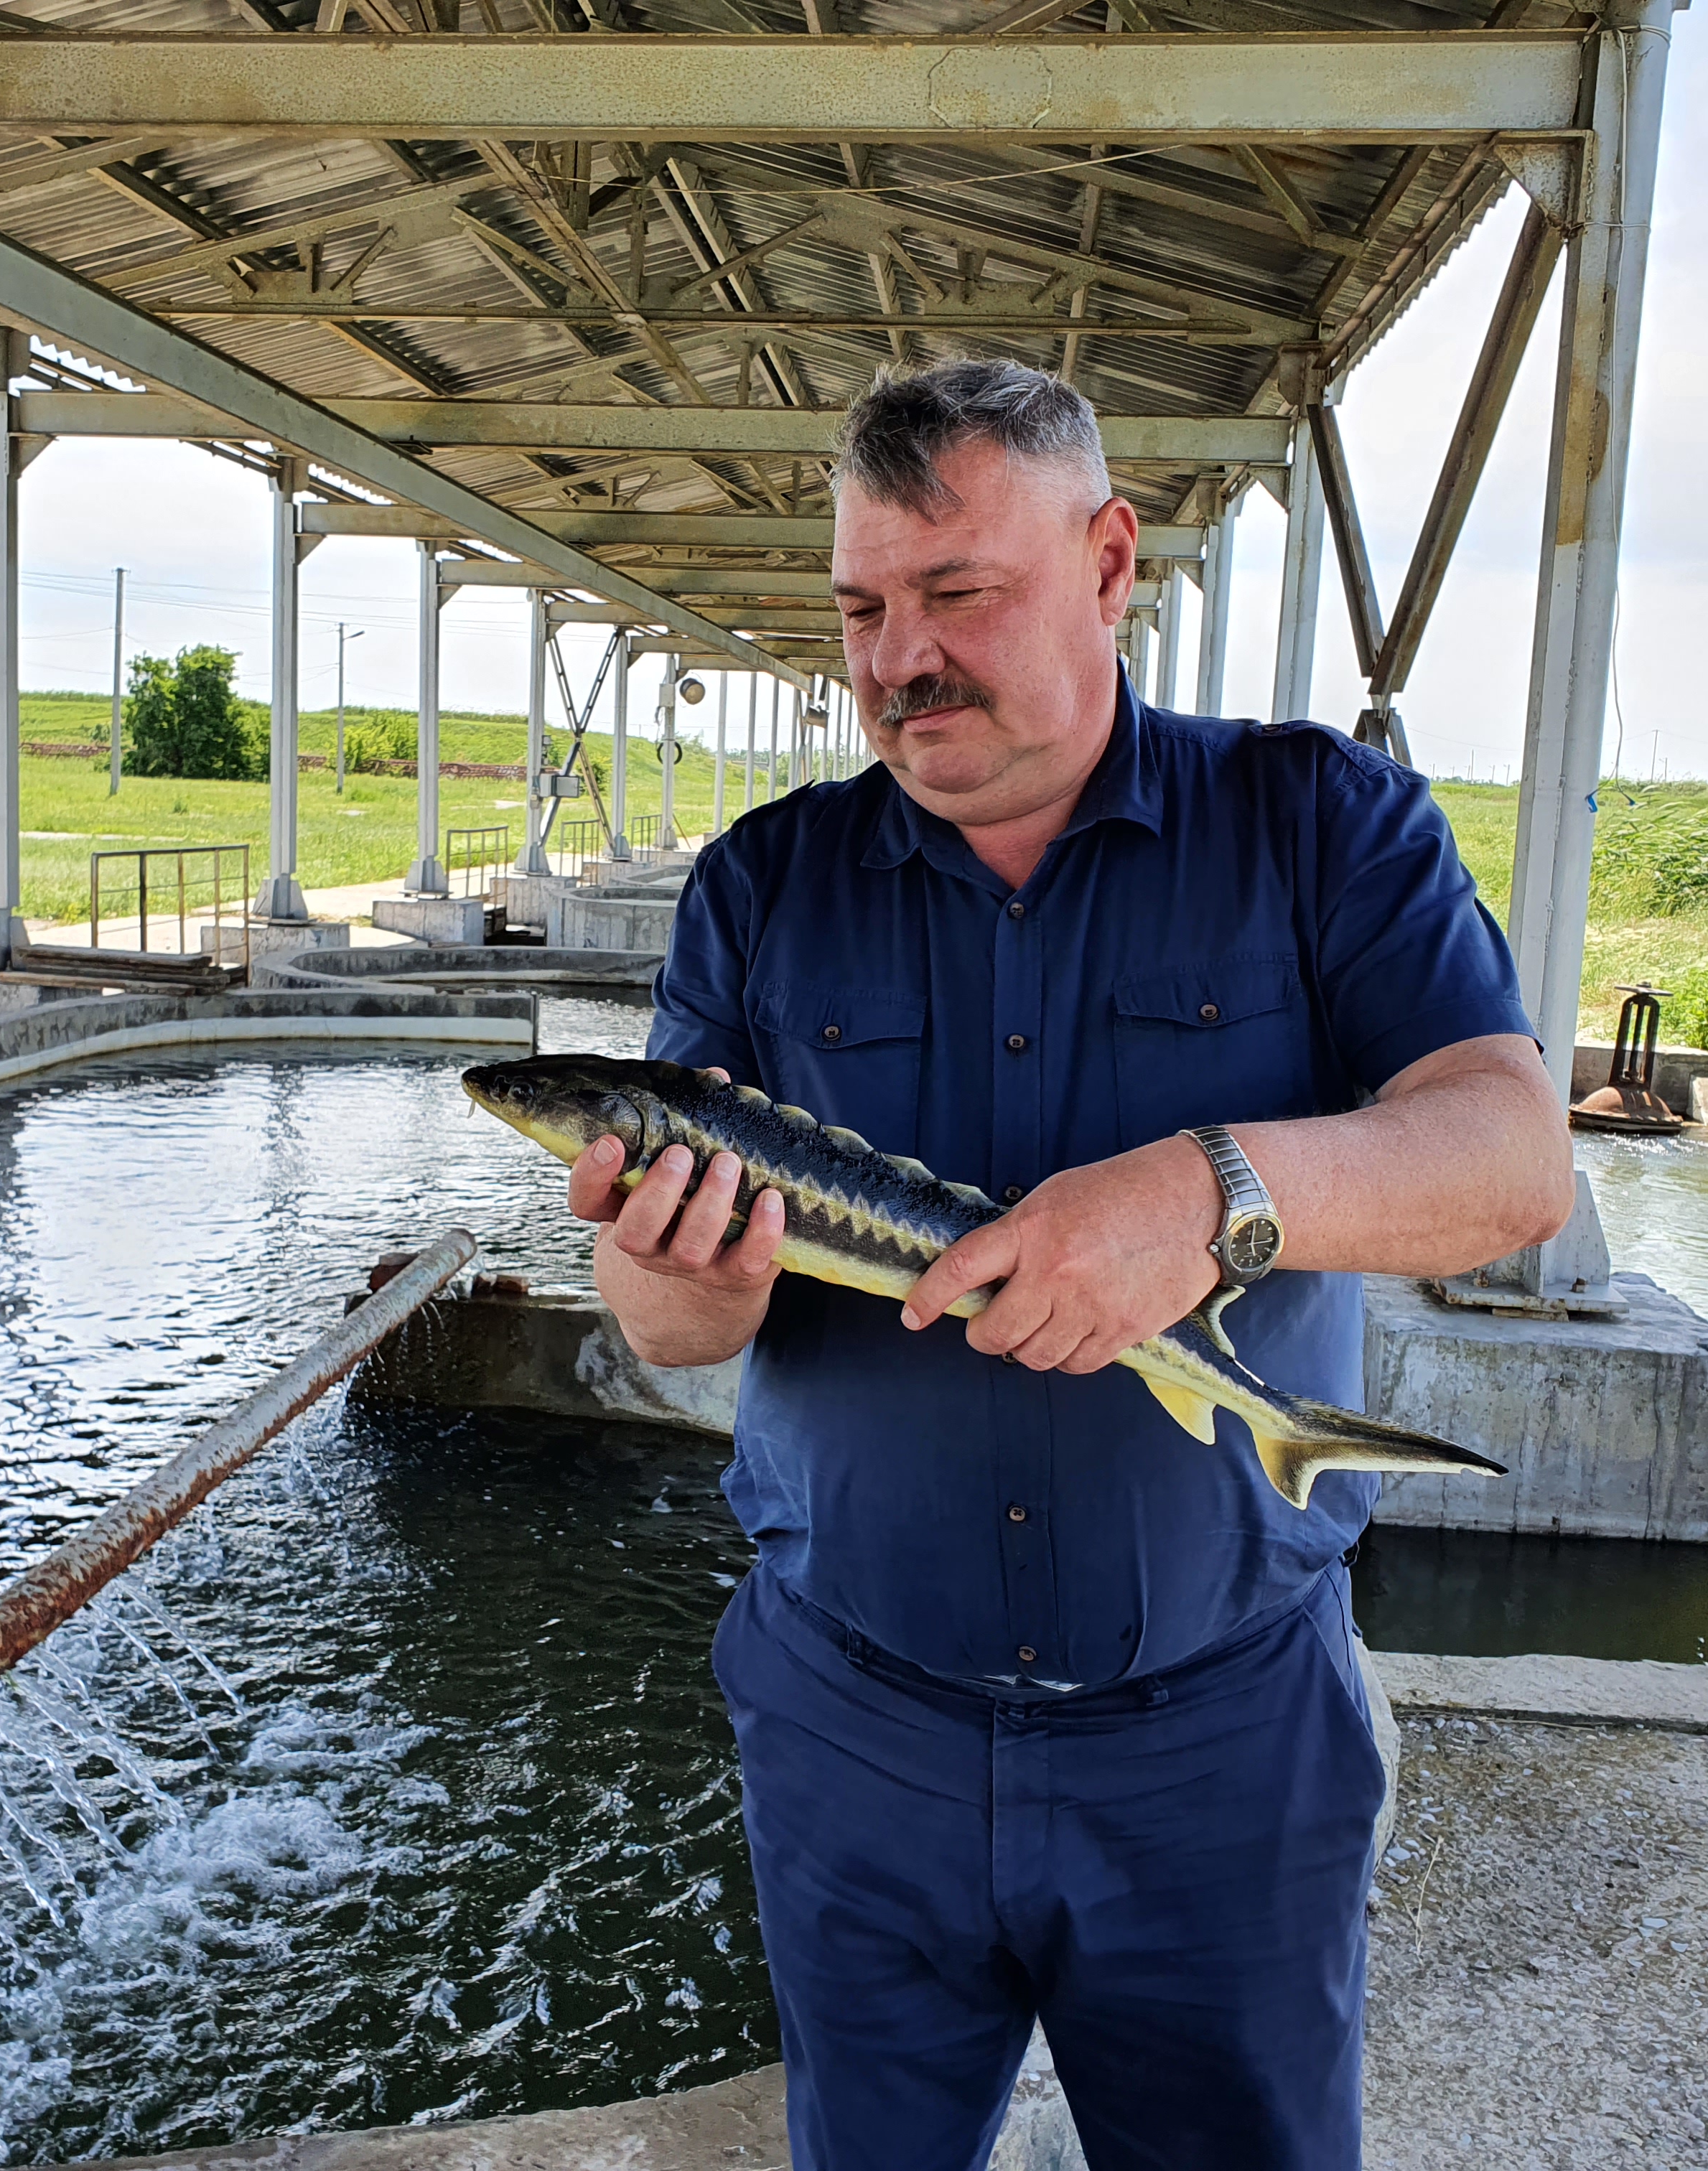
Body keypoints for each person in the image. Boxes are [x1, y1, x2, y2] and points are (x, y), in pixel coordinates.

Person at [566, 358, 1574, 2170]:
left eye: (960, 596)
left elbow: (1511, 1158)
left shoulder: (1322, 827)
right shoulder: (763, 886)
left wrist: (1212, 1195)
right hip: (847, 1726)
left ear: (1111, 561)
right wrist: (678, 1275)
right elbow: (670, 1327)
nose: (896, 663)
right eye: (864, 609)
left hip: (1226, 1745)